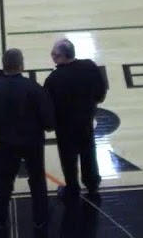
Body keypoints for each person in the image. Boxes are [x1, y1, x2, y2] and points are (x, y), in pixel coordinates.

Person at [0, 48, 54, 233]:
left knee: (4, 181)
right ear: (22, 65)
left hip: (6, 143)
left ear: (3, 65)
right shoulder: (33, 88)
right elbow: (48, 121)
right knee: (37, 180)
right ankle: (40, 220)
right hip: (33, 142)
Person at [44, 39, 108, 201]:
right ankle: (92, 183)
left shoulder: (54, 79)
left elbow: (47, 105)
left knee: (68, 159)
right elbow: (101, 93)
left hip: (64, 126)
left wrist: (49, 124)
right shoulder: (90, 66)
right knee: (88, 152)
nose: (52, 56)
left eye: (55, 54)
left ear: (64, 56)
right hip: (86, 120)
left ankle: (72, 188)